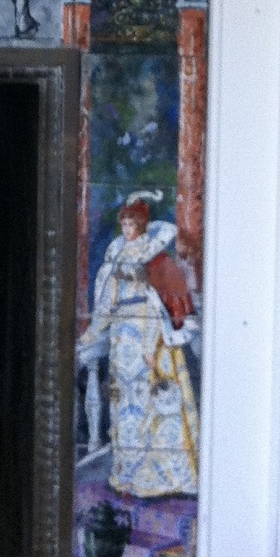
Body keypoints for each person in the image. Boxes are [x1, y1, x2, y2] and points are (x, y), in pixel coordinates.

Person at [77, 192, 199, 497]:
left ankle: (161, 477)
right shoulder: (117, 254)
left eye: (132, 223)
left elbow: (154, 303)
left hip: (148, 336)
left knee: (152, 403)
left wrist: (148, 346)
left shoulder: (153, 254)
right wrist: (92, 333)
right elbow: (107, 302)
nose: (127, 229)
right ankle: (130, 474)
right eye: (124, 223)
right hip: (122, 340)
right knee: (126, 405)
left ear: (142, 224)